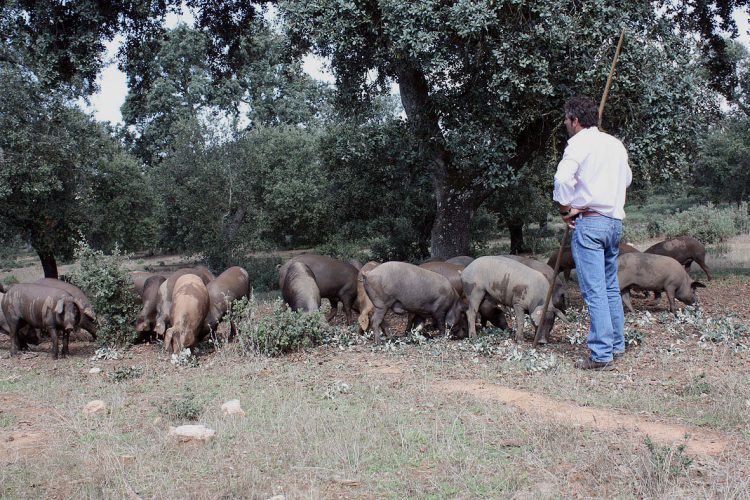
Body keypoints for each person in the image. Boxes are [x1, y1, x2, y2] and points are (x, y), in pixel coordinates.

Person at [553, 96, 632, 371]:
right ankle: (616, 346)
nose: (565, 123)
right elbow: (627, 179)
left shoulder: (578, 144)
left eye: (566, 119)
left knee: (595, 290)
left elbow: (562, 179)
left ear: (575, 121)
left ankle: (601, 354)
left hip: (590, 223)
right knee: (610, 286)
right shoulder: (615, 144)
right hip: (613, 223)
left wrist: (566, 209)